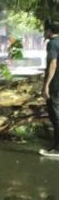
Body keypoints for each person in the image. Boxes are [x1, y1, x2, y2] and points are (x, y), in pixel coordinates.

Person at [41, 20, 59, 157]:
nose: (45, 33)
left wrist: (46, 85)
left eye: (46, 30)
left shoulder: (52, 43)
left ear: (50, 31)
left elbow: (53, 63)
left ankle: (57, 149)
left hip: (56, 85)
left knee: (56, 117)